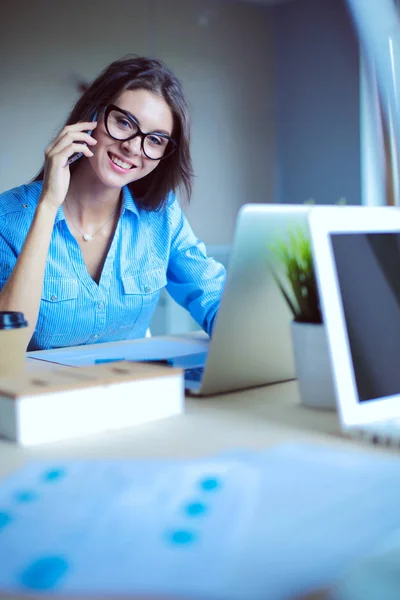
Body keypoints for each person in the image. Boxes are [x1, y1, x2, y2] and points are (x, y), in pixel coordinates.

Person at [0, 55, 226, 351]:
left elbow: (213, 298)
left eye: (155, 140)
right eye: (124, 122)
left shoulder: (161, 215)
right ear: (93, 114)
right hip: (38, 396)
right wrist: (48, 205)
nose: (133, 147)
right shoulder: (8, 217)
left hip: (130, 391)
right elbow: (6, 348)